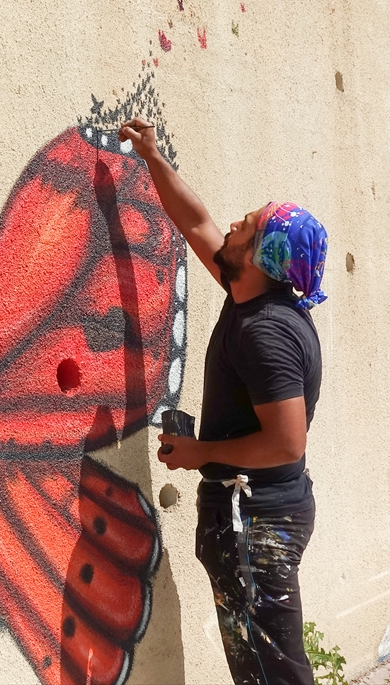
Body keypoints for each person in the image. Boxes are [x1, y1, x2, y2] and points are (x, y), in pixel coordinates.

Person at [119, 117, 328, 685]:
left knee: (274, 672)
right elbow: (198, 221)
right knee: (260, 666)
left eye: (251, 225)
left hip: (258, 519)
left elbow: (287, 441)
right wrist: (153, 158)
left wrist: (197, 454)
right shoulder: (249, 290)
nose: (235, 222)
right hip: (254, 512)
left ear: (264, 257)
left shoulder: (264, 330)